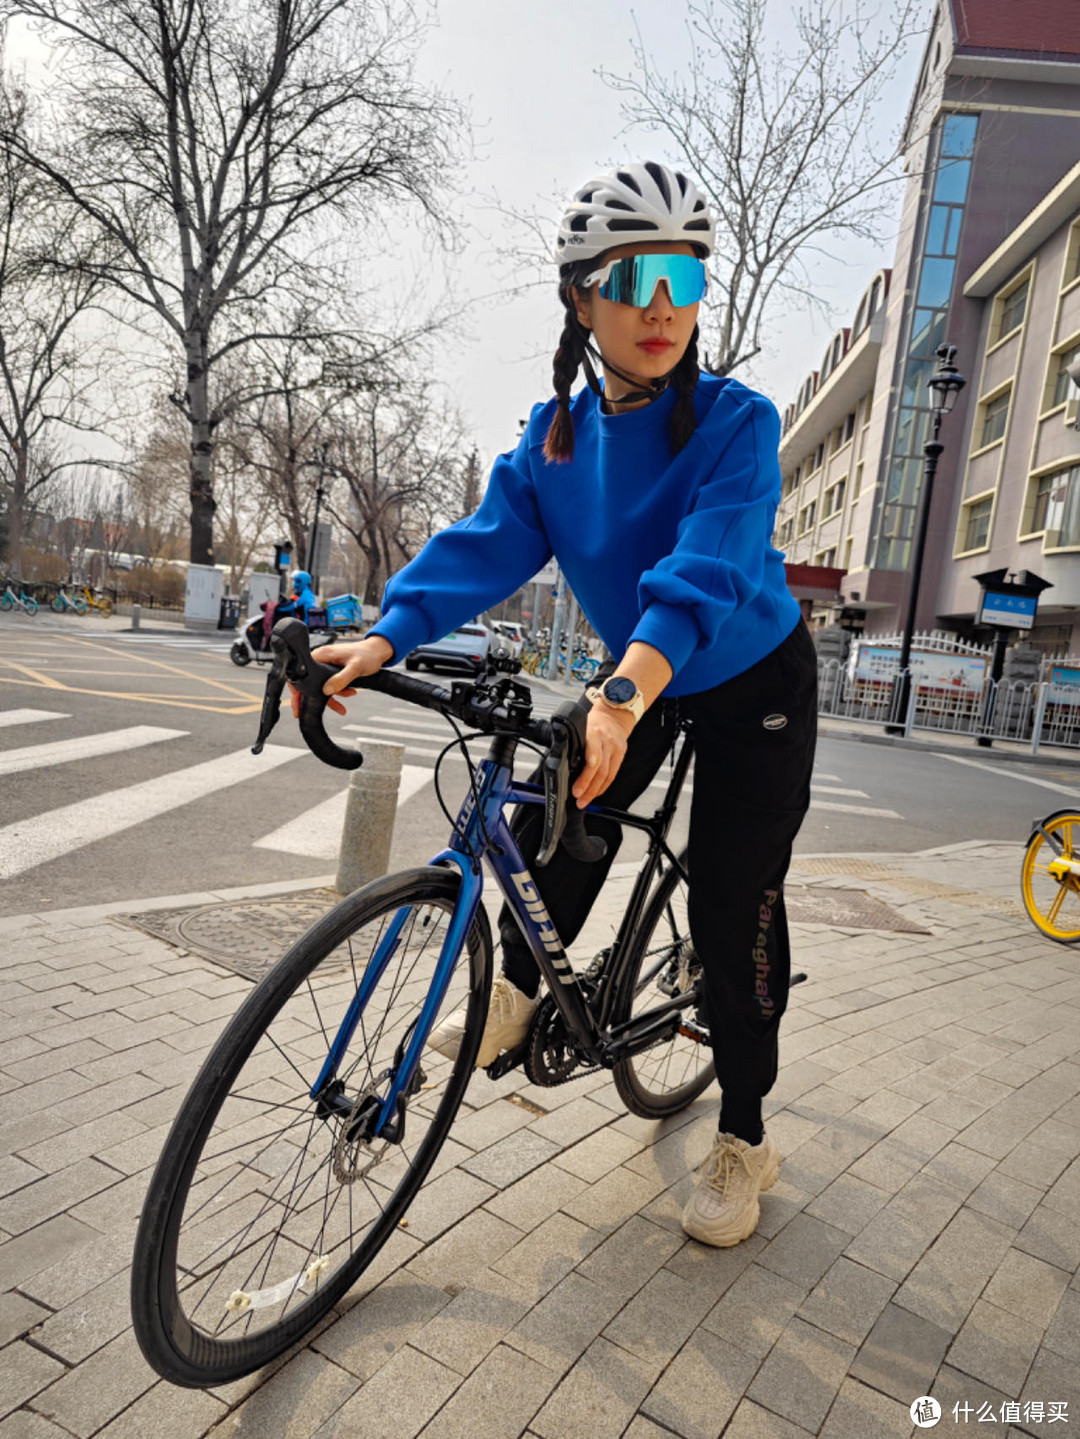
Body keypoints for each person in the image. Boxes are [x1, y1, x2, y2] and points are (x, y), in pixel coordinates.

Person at [300, 161, 817, 1249]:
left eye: (686, 273)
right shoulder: (556, 438)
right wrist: (389, 630)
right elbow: (484, 544)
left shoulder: (737, 423)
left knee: (734, 903)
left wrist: (623, 694)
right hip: (639, 672)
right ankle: (523, 990)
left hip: (750, 677)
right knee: (556, 820)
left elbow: (704, 569)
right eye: (636, 277)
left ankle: (747, 1129)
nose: (665, 305)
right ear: (582, 296)